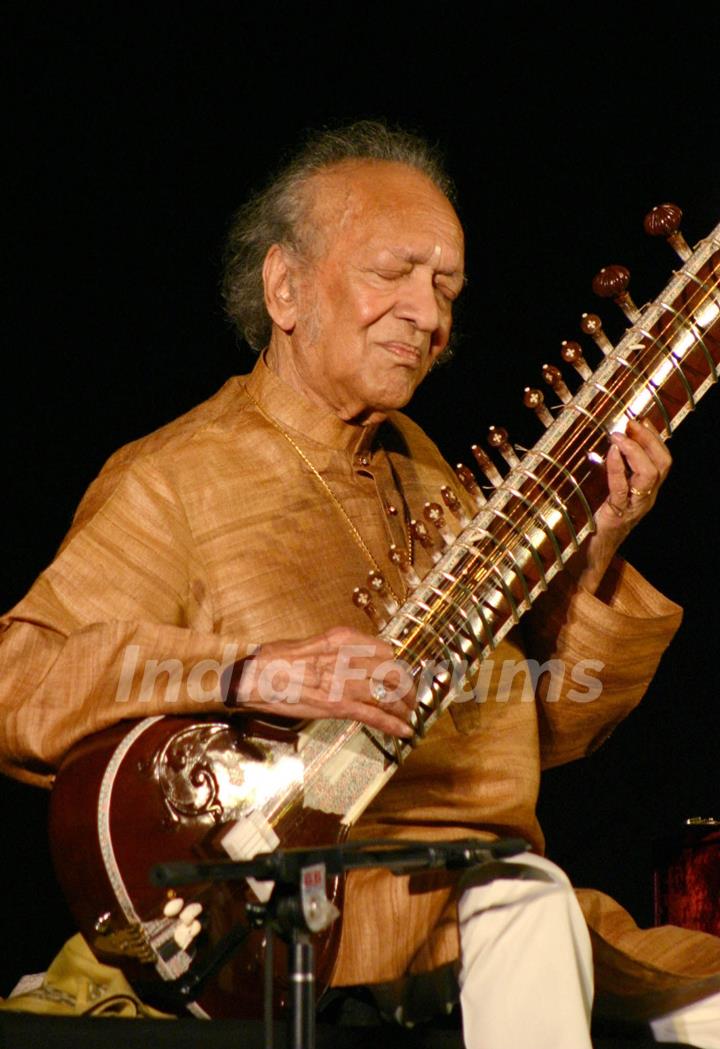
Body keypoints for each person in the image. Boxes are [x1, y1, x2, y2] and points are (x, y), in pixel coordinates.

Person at [1, 121, 719, 1048]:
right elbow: (22, 677)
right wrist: (249, 671)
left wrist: (599, 545)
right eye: (395, 272)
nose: (429, 314)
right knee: (527, 905)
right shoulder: (175, 476)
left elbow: (550, 724)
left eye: (446, 286)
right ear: (285, 287)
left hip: (472, 898)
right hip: (307, 917)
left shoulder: (433, 480)